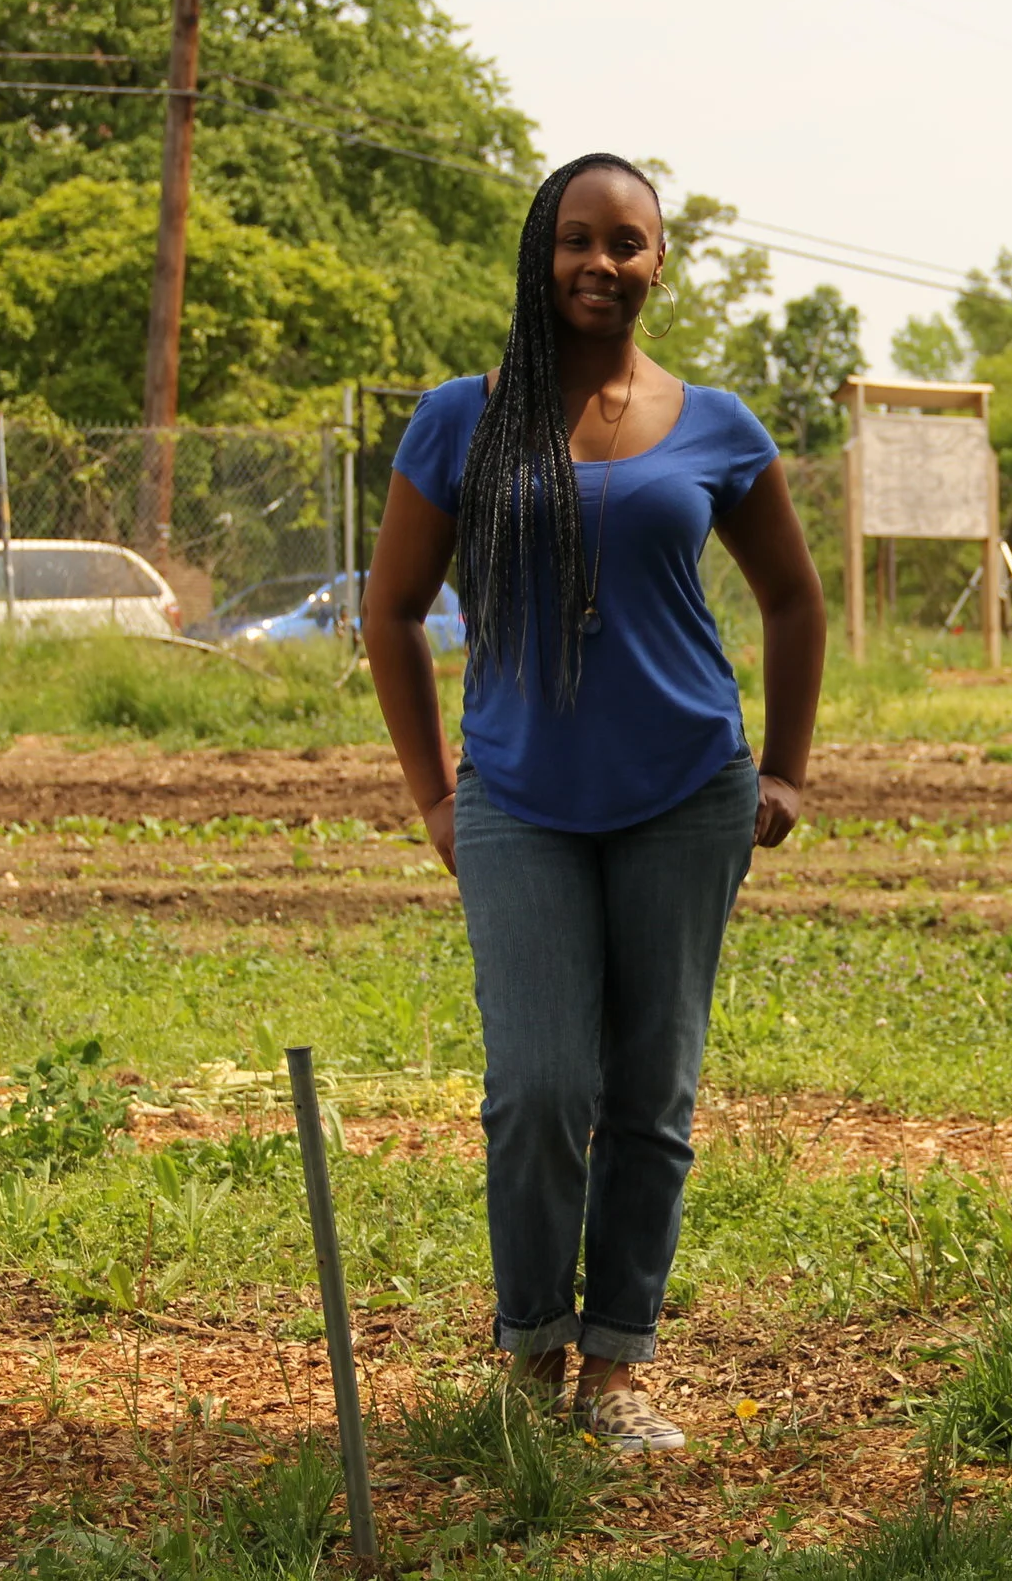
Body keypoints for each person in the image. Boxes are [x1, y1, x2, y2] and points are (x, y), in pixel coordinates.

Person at [364, 151, 826, 1451]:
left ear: (660, 263)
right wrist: (434, 797)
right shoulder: (464, 417)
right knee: (539, 1084)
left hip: (686, 794)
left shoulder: (719, 425)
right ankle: (529, 1356)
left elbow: (794, 597)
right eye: (578, 238)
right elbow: (391, 611)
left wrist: (785, 767)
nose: (600, 264)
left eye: (627, 243)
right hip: (517, 801)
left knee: (649, 1091)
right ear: (540, 249)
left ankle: (615, 1370)